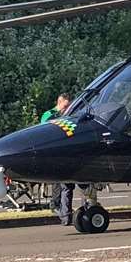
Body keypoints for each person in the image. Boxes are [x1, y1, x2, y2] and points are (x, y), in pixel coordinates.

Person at [42, 94, 75, 225]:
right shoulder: (49, 115)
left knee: (67, 185)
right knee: (58, 185)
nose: (66, 109)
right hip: (53, 155)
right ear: (59, 102)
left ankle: (66, 213)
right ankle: (57, 207)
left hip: (65, 155)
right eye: (65, 106)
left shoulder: (68, 114)